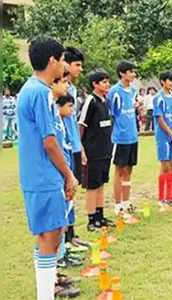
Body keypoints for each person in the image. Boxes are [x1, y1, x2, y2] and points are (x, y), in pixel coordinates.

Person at [17, 37, 79, 300]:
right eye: (63, 60)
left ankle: (49, 287)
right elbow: (49, 141)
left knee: (49, 235)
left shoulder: (31, 89)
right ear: (52, 60)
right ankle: (46, 294)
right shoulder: (40, 92)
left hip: (40, 175)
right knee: (49, 237)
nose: (63, 66)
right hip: (44, 175)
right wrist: (68, 174)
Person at [79, 69, 114, 231]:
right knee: (92, 185)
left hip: (105, 151)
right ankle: (91, 219)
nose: (107, 85)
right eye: (104, 82)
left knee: (101, 183)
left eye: (108, 82)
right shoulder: (90, 101)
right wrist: (81, 149)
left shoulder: (105, 101)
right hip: (92, 152)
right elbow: (81, 125)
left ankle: (100, 216)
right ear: (95, 84)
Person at [63, 46, 90, 251]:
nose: (80, 69)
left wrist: (80, 147)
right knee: (66, 191)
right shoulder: (58, 89)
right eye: (77, 65)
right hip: (64, 146)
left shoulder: (72, 89)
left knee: (74, 189)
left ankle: (71, 233)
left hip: (74, 146)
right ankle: (64, 238)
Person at [108, 60, 140, 224]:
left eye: (134, 72)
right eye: (131, 72)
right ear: (122, 73)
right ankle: (118, 205)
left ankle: (127, 203)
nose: (133, 75)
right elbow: (111, 114)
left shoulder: (133, 90)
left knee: (129, 170)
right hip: (120, 137)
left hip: (133, 136)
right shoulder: (114, 91)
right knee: (119, 170)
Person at [153, 71, 172, 212]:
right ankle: (161, 198)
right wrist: (171, 135)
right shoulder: (158, 98)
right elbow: (160, 119)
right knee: (165, 167)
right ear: (163, 82)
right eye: (169, 80)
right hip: (163, 137)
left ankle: (169, 195)